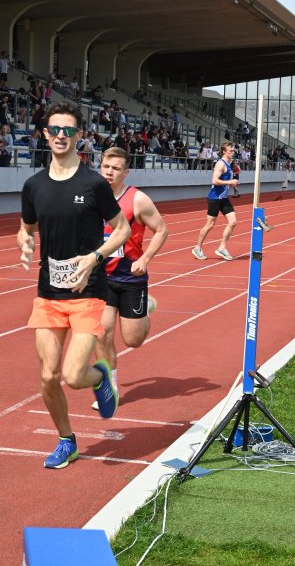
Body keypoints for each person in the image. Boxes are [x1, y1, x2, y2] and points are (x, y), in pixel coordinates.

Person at [17, 102, 131, 469]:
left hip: (87, 292)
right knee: (49, 376)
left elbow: (122, 230)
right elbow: (26, 227)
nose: (61, 136)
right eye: (55, 130)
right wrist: (24, 241)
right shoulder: (33, 186)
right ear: (45, 134)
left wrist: (94, 257)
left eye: (68, 130)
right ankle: (67, 440)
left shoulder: (93, 184)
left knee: (71, 374)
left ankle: (99, 377)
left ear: (79, 135)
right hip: (48, 293)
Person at [92, 147, 168, 410]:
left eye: (115, 168)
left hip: (130, 278)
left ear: (125, 172)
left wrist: (144, 259)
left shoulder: (137, 200)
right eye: (105, 166)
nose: (109, 172)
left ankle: (145, 310)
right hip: (100, 279)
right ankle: (109, 388)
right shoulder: (90, 197)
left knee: (132, 340)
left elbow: (161, 229)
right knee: (101, 335)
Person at [191, 141, 239, 261]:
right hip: (215, 198)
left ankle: (222, 247)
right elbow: (214, 180)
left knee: (233, 222)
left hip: (223, 198)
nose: (233, 152)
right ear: (224, 151)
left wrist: (231, 185)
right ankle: (197, 248)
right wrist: (230, 182)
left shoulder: (228, 164)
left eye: (233, 150)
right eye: (231, 150)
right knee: (210, 225)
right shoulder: (220, 164)